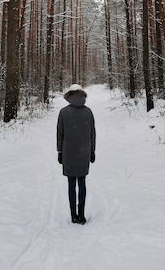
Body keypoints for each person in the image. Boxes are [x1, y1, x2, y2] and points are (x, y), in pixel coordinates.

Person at [57, 84, 96, 224]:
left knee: (71, 184)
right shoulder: (88, 112)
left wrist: (60, 152)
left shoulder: (63, 112)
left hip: (68, 152)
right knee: (82, 183)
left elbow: (60, 134)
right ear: (82, 95)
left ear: (69, 96)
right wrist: (92, 151)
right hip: (84, 151)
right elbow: (92, 134)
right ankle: (82, 215)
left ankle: (73, 215)